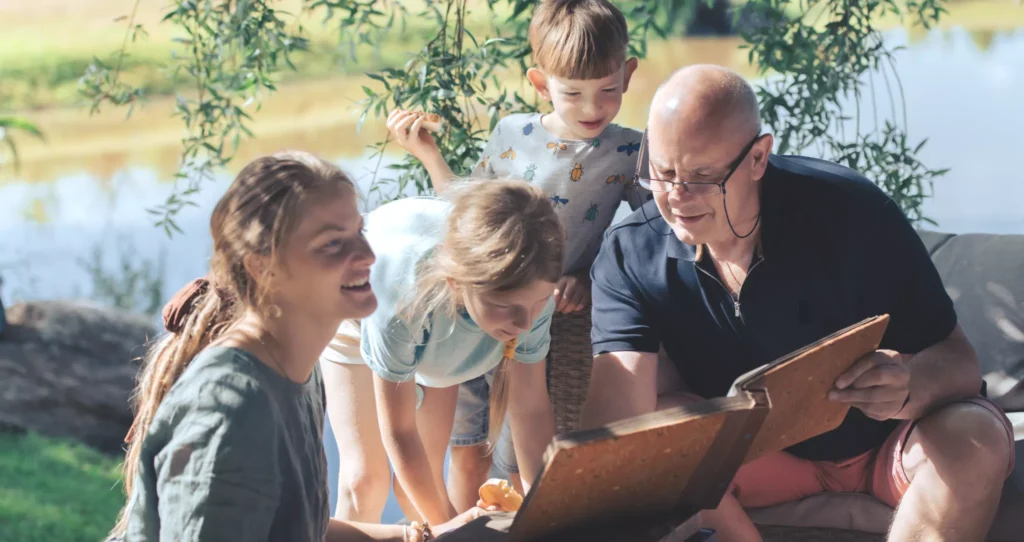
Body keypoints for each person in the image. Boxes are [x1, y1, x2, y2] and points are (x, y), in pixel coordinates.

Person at [581, 65, 1016, 541]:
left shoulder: (851, 211)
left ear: (758, 157)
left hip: (896, 443)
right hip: (761, 460)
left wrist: (908, 383)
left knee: (976, 441)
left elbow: (960, 362)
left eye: (703, 176)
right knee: (656, 443)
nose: (677, 197)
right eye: (662, 173)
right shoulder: (630, 252)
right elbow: (616, 432)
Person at [109, 151, 482, 542]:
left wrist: (424, 536)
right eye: (333, 244)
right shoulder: (229, 407)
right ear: (263, 268)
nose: (368, 256)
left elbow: (292, 528)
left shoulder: (295, 372)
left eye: (360, 233)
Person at [384, 0, 648, 510]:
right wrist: (429, 155)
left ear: (628, 74)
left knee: (515, 446)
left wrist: (590, 278)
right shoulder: (512, 134)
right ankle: (464, 528)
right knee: (467, 448)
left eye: (609, 90)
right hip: (474, 307)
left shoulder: (629, 151)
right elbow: (466, 215)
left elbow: (648, 234)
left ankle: (523, 521)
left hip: (537, 317)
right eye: (573, 93)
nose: (593, 107)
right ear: (541, 83)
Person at [321, 179, 564, 526]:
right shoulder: (403, 301)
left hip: (443, 341)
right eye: (505, 306)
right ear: (457, 283)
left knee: (423, 487)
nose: (524, 323)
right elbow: (400, 431)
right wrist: (451, 531)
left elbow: (531, 409)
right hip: (359, 308)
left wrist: (547, 513)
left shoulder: (530, 298)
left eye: (539, 303)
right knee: (366, 482)